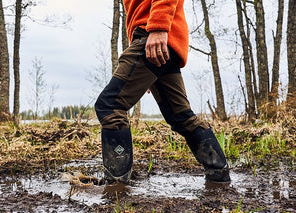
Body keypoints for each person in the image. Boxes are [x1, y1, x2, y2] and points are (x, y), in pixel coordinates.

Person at [94, 0, 230, 183]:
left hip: (155, 33)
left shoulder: (157, 28)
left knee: (109, 106)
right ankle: (219, 175)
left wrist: (159, 27)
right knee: (181, 116)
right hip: (158, 39)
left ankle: (117, 187)